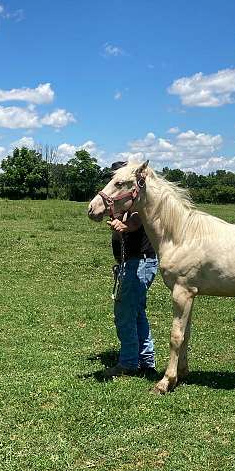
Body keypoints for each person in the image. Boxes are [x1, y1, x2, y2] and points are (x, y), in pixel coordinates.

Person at [103, 161, 159, 379]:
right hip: (137, 263)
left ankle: (128, 362)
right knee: (137, 313)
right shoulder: (127, 204)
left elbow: (135, 222)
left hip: (139, 264)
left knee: (125, 314)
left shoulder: (138, 205)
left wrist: (123, 227)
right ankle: (146, 361)